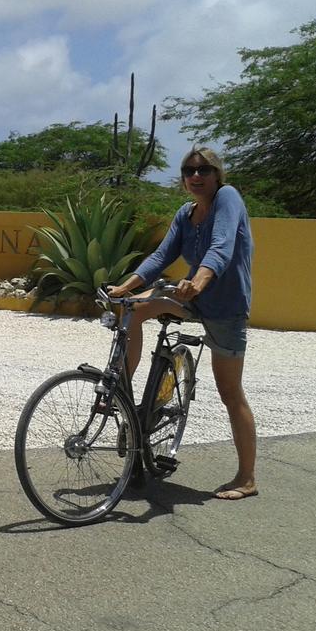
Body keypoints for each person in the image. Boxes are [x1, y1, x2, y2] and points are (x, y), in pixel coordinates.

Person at [108, 147, 257, 501]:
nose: (196, 176)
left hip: (226, 308)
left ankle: (247, 478)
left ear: (217, 174)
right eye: (189, 170)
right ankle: (122, 389)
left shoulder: (228, 198)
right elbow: (161, 256)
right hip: (192, 296)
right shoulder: (185, 214)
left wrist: (200, 281)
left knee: (230, 393)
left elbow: (220, 248)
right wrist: (125, 287)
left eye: (203, 170)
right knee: (131, 309)